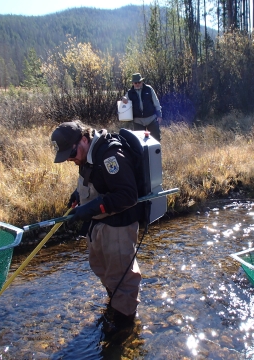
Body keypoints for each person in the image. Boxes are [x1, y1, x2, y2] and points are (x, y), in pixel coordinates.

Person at [51, 121, 142, 329]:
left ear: (84, 139)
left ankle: (124, 327)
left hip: (118, 227)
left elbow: (128, 196)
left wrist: (91, 209)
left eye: (71, 154)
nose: (70, 160)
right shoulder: (85, 155)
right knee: (101, 268)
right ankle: (115, 305)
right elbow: (93, 182)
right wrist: (77, 196)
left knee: (122, 279)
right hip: (99, 226)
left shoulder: (110, 156)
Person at [121, 73, 163, 141]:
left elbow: (156, 102)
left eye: (139, 82)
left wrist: (159, 115)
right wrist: (123, 99)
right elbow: (124, 99)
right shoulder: (130, 92)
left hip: (151, 119)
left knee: (156, 140)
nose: (137, 84)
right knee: (139, 142)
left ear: (142, 81)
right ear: (132, 83)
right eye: (135, 83)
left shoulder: (149, 89)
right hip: (138, 121)